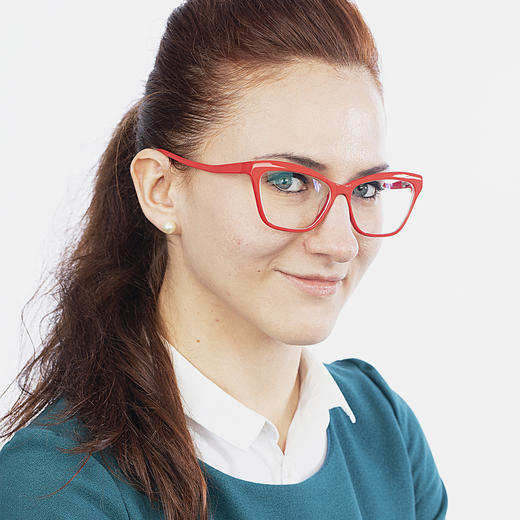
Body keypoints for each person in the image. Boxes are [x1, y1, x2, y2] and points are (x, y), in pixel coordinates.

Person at [0, 0, 448, 518]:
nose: (341, 243)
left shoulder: (385, 433)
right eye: (287, 181)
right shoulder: (57, 489)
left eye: (366, 188)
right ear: (162, 189)